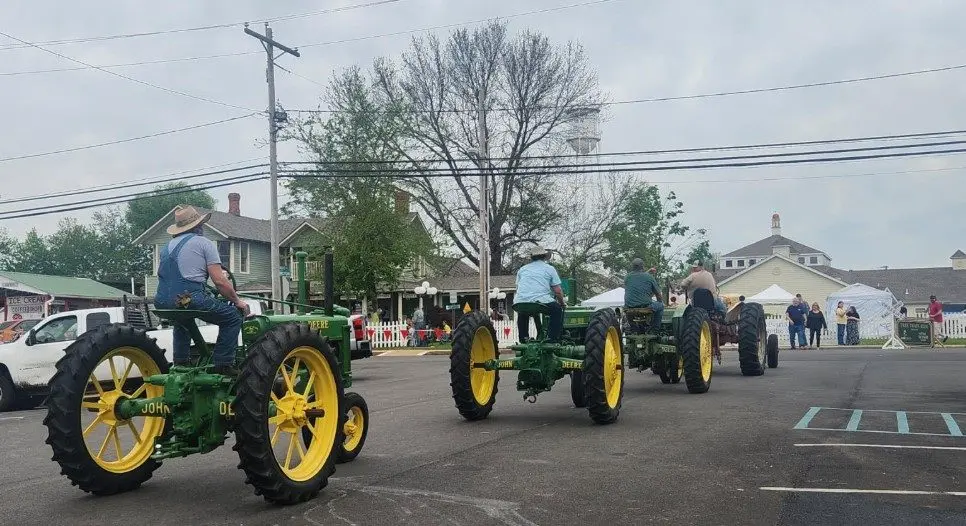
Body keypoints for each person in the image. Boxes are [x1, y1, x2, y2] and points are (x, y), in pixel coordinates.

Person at [155, 206, 249, 375]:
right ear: (198, 226)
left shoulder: (166, 247)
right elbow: (219, 281)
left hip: (161, 301)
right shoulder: (204, 243)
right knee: (232, 317)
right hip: (189, 298)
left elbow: (169, 275)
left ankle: (181, 363)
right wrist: (237, 301)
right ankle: (223, 365)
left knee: (182, 318)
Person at [514, 246, 566, 343]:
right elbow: (558, 291)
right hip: (541, 300)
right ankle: (551, 339)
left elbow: (518, 288)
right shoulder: (549, 269)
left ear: (532, 257)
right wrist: (562, 303)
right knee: (557, 310)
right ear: (544, 256)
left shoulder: (522, 269)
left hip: (520, 301)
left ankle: (523, 339)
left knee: (522, 311)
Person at [624, 258, 664, 331]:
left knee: (627, 309)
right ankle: (655, 330)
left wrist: (648, 271)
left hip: (629, 307)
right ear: (642, 266)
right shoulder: (649, 277)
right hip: (645, 306)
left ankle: (634, 329)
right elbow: (658, 294)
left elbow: (637, 278)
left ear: (632, 267)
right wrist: (659, 301)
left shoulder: (627, 277)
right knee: (660, 305)